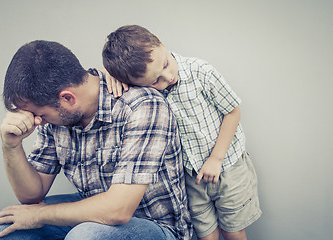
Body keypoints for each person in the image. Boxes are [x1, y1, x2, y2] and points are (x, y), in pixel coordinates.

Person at [0, 40, 192, 240]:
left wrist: (39, 215)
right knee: (4, 229)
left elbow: (118, 210)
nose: (37, 122)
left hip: (155, 226)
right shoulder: (54, 117)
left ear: (67, 99)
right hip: (91, 212)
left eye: (41, 115)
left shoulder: (142, 105)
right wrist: (11, 145)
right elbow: (31, 195)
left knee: (86, 235)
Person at [102, 25, 262, 240]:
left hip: (228, 168)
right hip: (191, 177)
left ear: (160, 41)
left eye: (166, 64)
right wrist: (107, 74)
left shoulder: (201, 71)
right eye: (155, 81)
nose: (168, 77)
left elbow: (232, 112)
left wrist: (216, 158)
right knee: (206, 234)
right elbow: (93, 77)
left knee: (233, 231)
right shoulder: (143, 91)